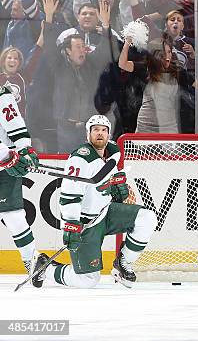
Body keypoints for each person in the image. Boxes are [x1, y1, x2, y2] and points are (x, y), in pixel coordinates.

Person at [31, 115, 158, 288]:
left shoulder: (113, 150)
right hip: (85, 224)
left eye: (104, 130)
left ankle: (123, 263)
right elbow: (69, 195)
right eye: (95, 130)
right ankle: (46, 267)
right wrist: (71, 224)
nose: (100, 133)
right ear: (88, 134)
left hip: (105, 212)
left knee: (147, 218)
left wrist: (116, 186)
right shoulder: (80, 159)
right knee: (88, 280)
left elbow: (110, 176)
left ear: (109, 134)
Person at [0, 85, 40, 276]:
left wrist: (24, 148)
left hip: (3, 166)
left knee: (13, 215)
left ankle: (31, 259)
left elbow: (13, 121)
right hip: (4, 158)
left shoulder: (1, 94)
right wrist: (6, 155)